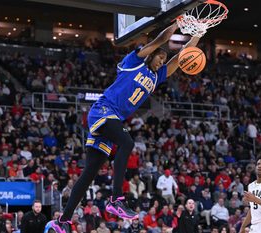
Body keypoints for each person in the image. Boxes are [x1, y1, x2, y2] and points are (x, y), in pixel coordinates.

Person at [45, 21, 201, 233]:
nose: (162, 61)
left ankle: (63, 220)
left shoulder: (156, 78)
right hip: (103, 110)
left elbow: (181, 59)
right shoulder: (133, 62)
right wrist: (177, 22)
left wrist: (197, 36)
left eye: (164, 59)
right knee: (127, 142)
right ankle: (116, 198)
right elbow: (160, 40)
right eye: (160, 57)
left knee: (89, 172)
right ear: (151, 55)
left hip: (113, 119)